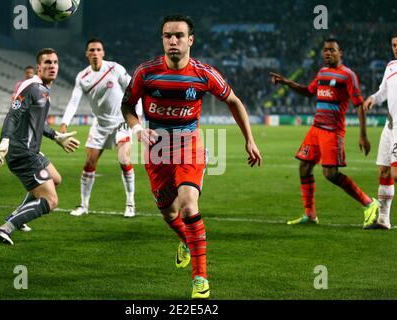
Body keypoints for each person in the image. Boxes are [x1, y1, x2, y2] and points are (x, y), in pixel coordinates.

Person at [121, 15, 261, 299]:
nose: (173, 40)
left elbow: (233, 100)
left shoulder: (204, 73)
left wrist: (250, 139)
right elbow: (127, 105)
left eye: (179, 35)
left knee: (187, 207)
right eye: (167, 35)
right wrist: (137, 129)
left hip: (189, 145)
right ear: (162, 39)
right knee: (168, 211)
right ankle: (187, 240)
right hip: (156, 149)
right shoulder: (146, 72)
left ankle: (200, 280)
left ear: (190, 40)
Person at [270, 38, 379, 228]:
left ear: (340, 53)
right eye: (325, 50)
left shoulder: (347, 75)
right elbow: (308, 91)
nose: (327, 53)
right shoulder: (322, 73)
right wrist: (287, 82)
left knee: (330, 174)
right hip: (316, 128)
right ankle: (310, 215)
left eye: (331, 50)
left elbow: (359, 105)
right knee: (304, 166)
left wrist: (363, 135)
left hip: (333, 131)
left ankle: (369, 203)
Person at [0, 48, 80, 245]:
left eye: (55, 63)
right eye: (47, 63)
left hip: (33, 150)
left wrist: (56, 136)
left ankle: (17, 215)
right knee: (51, 200)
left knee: (55, 178)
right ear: (38, 67)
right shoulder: (31, 86)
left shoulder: (43, 90)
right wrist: (5, 140)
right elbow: (13, 114)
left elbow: (38, 124)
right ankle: (6, 228)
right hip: (22, 153)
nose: (52, 66)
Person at [59, 38, 142, 218]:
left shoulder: (115, 69)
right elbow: (74, 101)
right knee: (89, 163)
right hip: (100, 124)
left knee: (124, 160)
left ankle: (130, 204)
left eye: (98, 50)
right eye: (92, 50)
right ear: (87, 54)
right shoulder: (82, 77)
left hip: (121, 121)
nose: (95, 53)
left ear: (103, 53)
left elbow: (134, 90)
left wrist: (137, 116)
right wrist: (65, 122)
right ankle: (83, 205)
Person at [363, 33, 397, 230]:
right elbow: (383, 91)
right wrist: (373, 99)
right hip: (390, 124)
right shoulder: (391, 66)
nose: (396, 48)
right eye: (393, 45)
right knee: (384, 170)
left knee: (395, 173)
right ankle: (383, 219)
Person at [7, 65, 36, 232]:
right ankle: (15, 219)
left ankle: (17, 216)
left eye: (32, 74)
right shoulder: (21, 87)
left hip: (29, 139)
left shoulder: (37, 88)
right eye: (28, 74)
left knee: (46, 182)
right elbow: (15, 108)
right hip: (22, 141)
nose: (30, 76)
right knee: (47, 186)